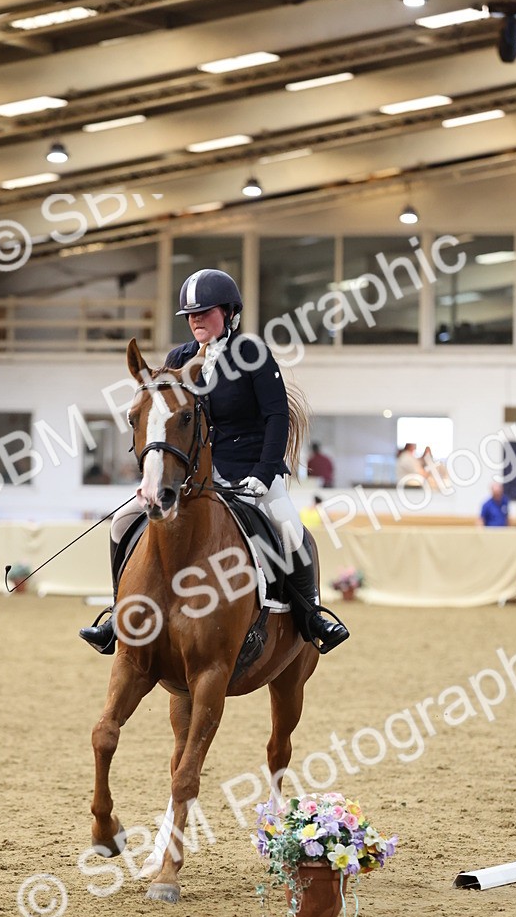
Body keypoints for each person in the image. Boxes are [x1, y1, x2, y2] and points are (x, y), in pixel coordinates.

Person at [79, 268, 349, 655]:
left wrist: (264, 473)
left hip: (249, 471)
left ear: (229, 312)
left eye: (204, 312)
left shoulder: (252, 354)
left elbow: (276, 417)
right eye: (191, 315)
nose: (196, 320)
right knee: (122, 522)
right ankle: (119, 615)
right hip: (193, 477)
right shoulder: (179, 358)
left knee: (290, 529)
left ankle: (312, 616)